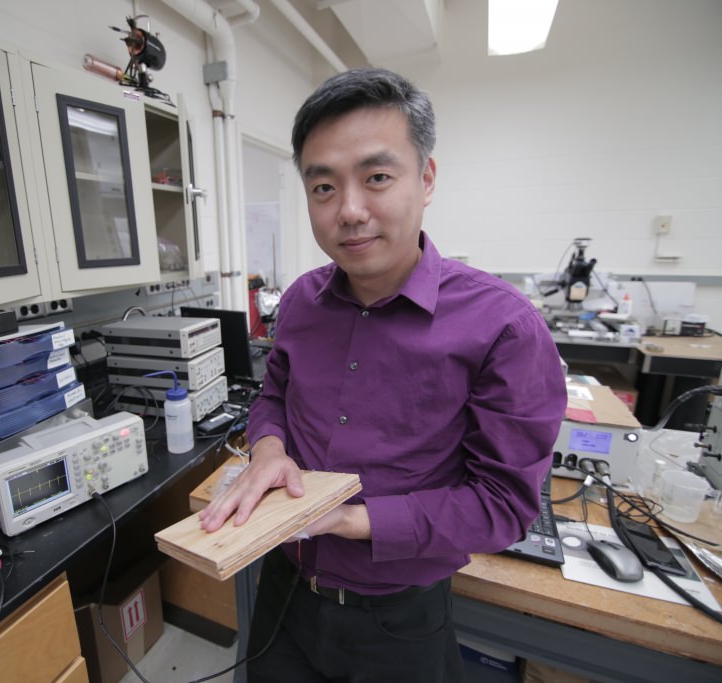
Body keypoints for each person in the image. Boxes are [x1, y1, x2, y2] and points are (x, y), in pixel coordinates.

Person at [199, 67, 567, 682]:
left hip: (398, 621)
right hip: (282, 591)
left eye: (376, 178)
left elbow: (503, 506)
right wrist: (267, 451)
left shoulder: (503, 327)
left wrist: (344, 518)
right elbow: (274, 396)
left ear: (425, 179)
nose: (349, 211)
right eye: (323, 188)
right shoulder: (300, 303)